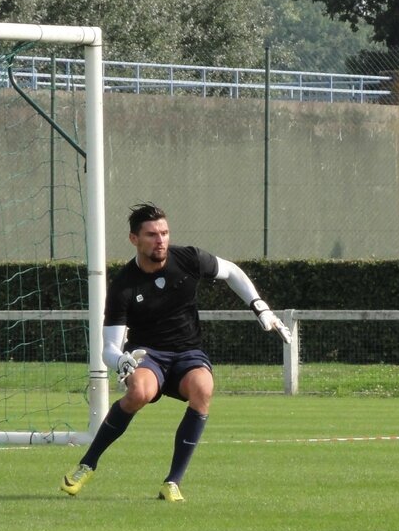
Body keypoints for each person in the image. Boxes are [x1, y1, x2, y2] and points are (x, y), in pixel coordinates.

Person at [61, 202, 291, 502]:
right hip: (148, 356)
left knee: (203, 388)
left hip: (187, 352)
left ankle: (172, 482)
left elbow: (232, 272)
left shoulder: (189, 258)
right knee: (139, 393)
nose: (161, 240)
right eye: (152, 234)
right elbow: (109, 348)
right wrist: (121, 361)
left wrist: (259, 306)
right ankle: (86, 464)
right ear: (134, 239)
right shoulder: (123, 287)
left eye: (165, 233)